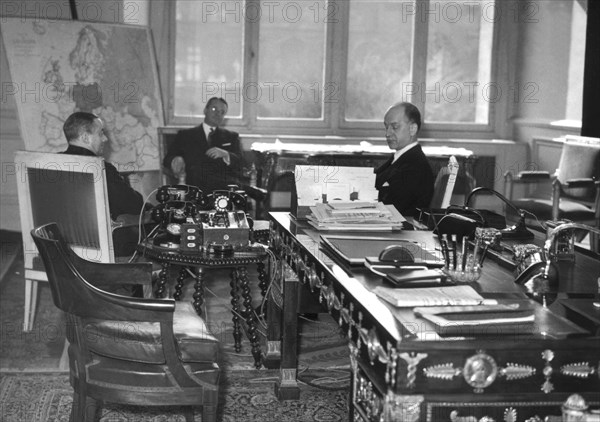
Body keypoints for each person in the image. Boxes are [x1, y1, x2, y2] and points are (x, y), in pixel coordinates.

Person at [62, 111, 146, 258]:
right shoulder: (102, 169)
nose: (105, 138)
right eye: (100, 133)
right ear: (85, 137)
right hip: (101, 250)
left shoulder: (50, 165)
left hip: (61, 246)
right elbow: (134, 205)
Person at [163, 97, 244, 193]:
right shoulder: (185, 135)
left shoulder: (231, 137)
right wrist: (175, 159)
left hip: (222, 188)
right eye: (214, 109)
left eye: (222, 112)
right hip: (193, 187)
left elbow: (241, 162)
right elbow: (167, 160)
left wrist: (226, 154)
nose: (218, 114)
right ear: (205, 110)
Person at [375, 102, 434, 217]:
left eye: (395, 127)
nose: (387, 133)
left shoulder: (415, 166)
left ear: (412, 129)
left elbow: (393, 207)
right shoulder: (401, 157)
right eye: (386, 127)